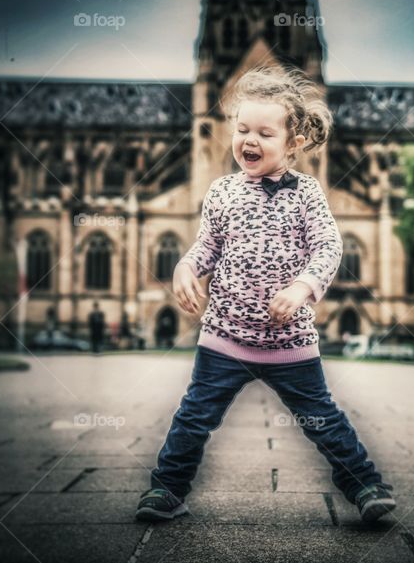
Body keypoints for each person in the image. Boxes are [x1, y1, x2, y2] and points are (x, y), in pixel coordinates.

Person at [136, 65, 395, 523]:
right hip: (225, 335)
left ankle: (366, 485)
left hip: (289, 340)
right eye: (241, 129)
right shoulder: (220, 192)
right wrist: (186, 265)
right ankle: (167, 490)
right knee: (194, 418)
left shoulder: (307, 194)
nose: (248, 141)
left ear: (293, 143)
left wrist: (302, 286)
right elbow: (208, 244)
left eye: (264, 132)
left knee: (322, 419)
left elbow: (328, 246)